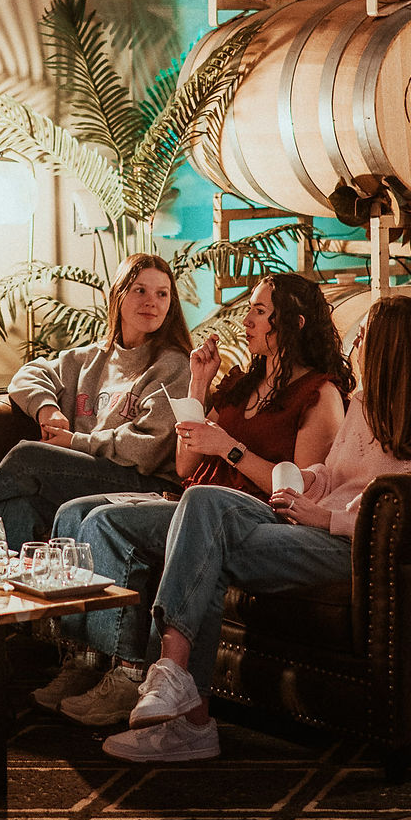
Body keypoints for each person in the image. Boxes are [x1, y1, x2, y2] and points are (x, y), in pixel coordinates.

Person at [100, 294, 411, 763]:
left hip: (351, 548)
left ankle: (186, 715)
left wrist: (327, 518)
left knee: (205, 548)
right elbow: (333, 474)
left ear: (389, 346)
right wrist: (300, 484)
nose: (355, 343)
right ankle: (176, 687)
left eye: (363, 336)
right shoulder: (364, 403)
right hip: (308, 522)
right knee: (202, 500)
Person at [35, 273, 354, 725]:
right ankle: (84, 660)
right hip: (191, 500)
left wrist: (230, 448)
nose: (246, 320)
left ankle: (128, 673)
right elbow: (186, 466)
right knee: (77, 511)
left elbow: (300, 490)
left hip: (246, 514)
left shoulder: (319, 394)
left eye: (259, 311)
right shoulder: (243, 382)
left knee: (106, 522)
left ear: (293, 323)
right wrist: (199, 384)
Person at [0, 254, 194, 552]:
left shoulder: (173, 365)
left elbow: (147, 450)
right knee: (22, 508)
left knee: (29, 457)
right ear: (118, 295)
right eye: (140, 290)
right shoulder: (91, 358)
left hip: (147, 484)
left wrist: (74, 442)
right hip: (94, 472)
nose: (152, 301)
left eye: (162, 294)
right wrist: (47, 409)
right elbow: (27, 375)